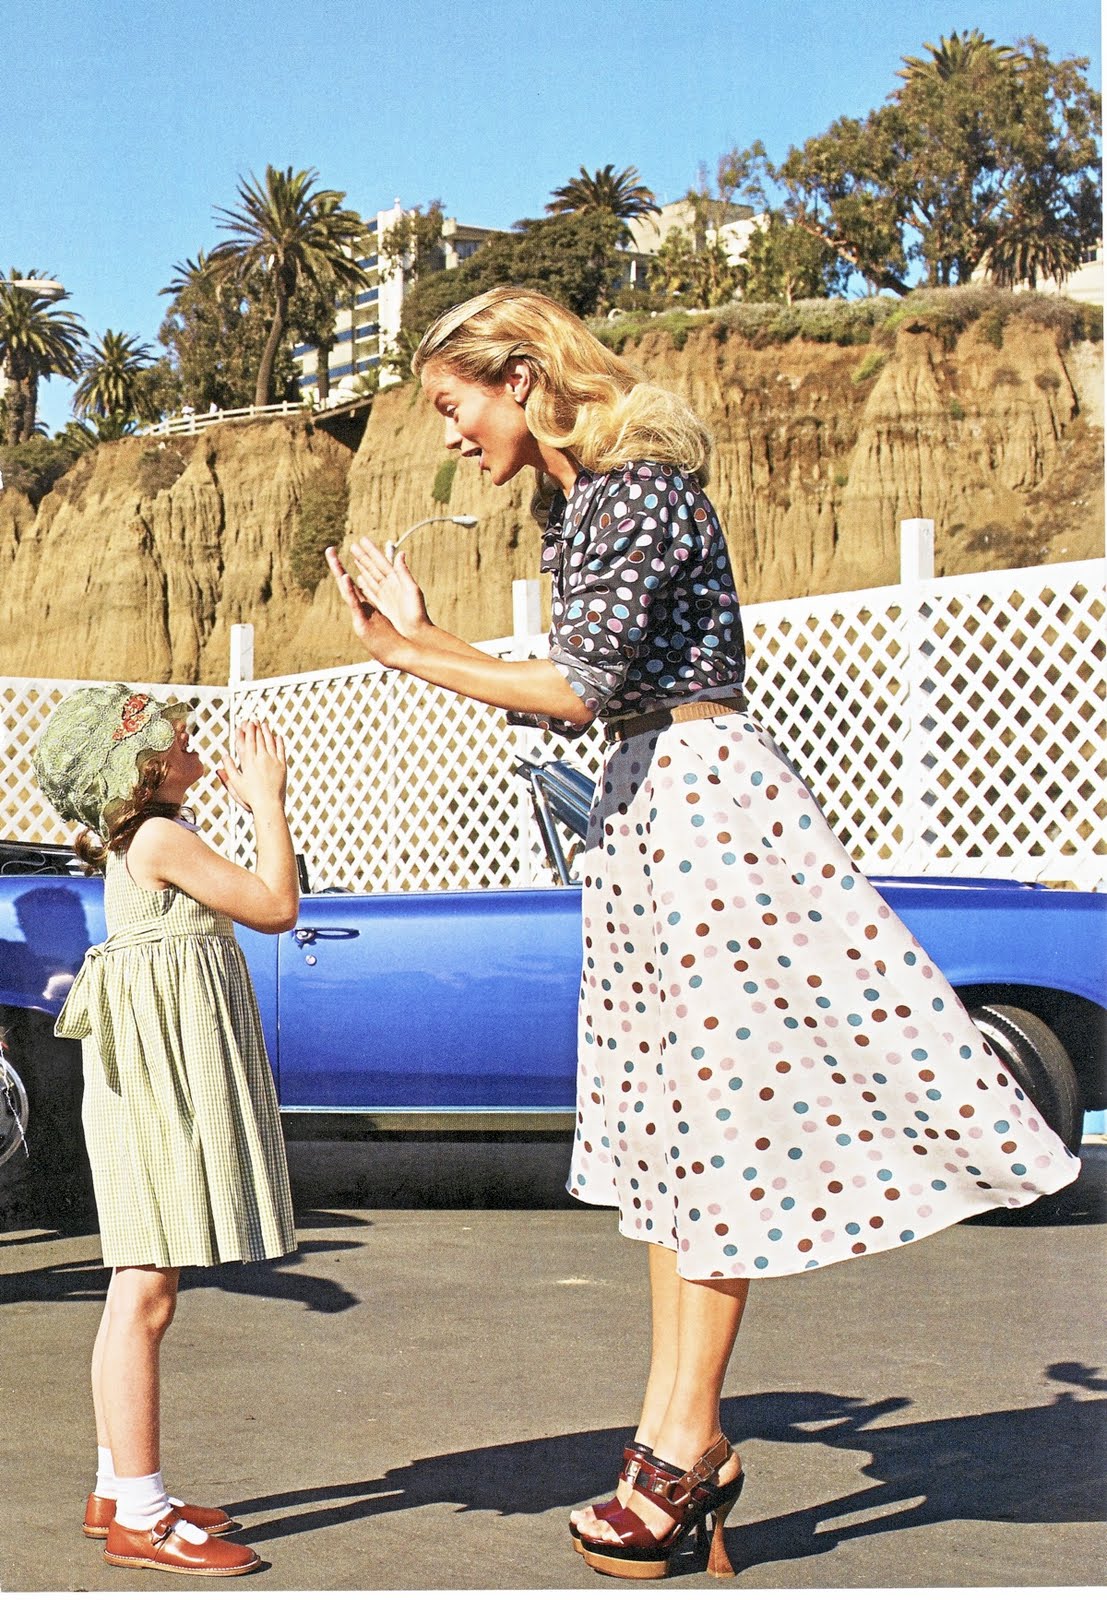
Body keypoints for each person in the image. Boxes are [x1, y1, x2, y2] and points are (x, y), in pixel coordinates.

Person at [326, 286, 1080, 1582]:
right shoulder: (578, 504)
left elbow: (579, 688)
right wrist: (429, 640)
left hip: (700, 808)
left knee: (716, 1137)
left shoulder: (638, 491)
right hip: (644, 811)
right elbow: (586, 696)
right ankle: (678, 1436)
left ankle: (681, 1447)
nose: (449, 436)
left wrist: (412, 652)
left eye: (454, 405)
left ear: (521, 378)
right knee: (673, 1143)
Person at [33, 686, 299, 1578]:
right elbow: (274, 906)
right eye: (176, 741)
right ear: (143, 770)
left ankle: (118, 1489)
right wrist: (267, 802)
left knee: (135, 1292)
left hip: (147, 1082)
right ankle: (142, 1520)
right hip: (160, 1090)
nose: (192, 747)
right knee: (145, 1293)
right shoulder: (159, 838)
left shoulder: (142, 838)